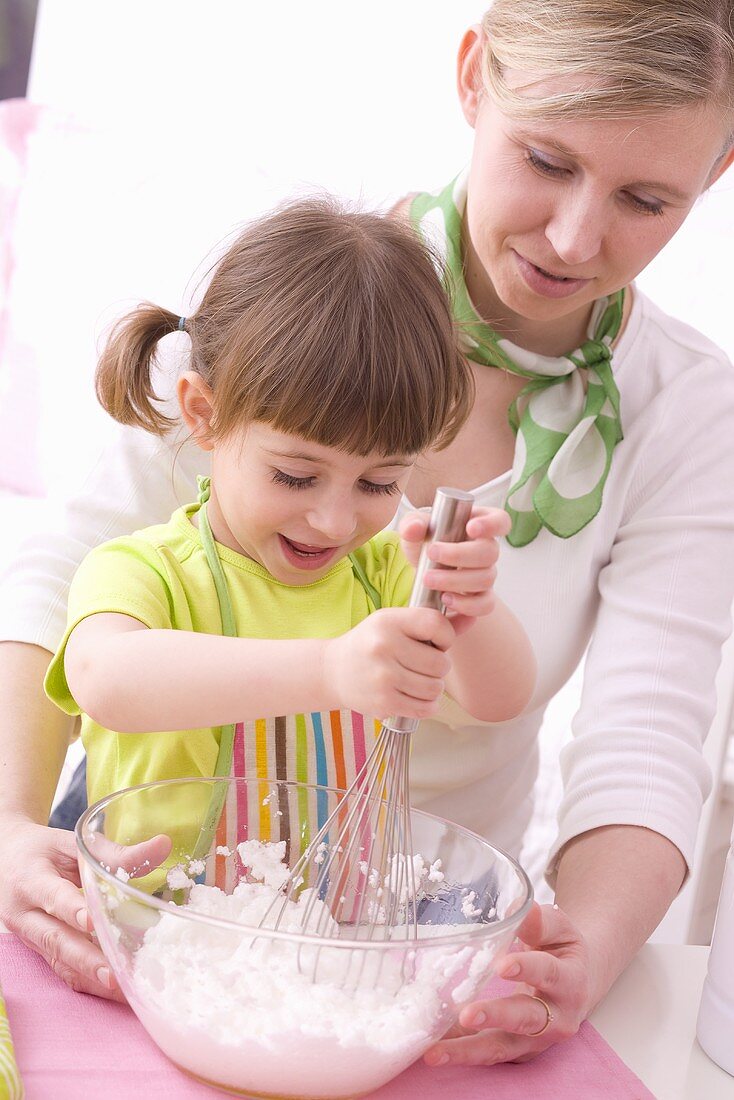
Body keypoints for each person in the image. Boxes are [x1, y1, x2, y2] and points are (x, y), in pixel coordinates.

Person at [1, 0, 734, 1070]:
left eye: (644, 197)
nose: (577, 239)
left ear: (717, 168)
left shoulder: (685, 412)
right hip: (166, 886)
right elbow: (61, 584)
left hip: (410, 919)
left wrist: (581, 951)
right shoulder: (297, 296)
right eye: (544, 159)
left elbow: (637, 734)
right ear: (474, 76)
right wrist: (11, 827)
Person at [42, 197, 534, 858]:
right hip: (155, 918)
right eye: (296, 477)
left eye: (380, 483)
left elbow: (501, 700)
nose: (334, 520)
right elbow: (106, 681)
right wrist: (329, 668)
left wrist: (473, 609)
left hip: (323, 930)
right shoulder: (144, 569)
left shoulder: (384, 572)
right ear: (203, 414)